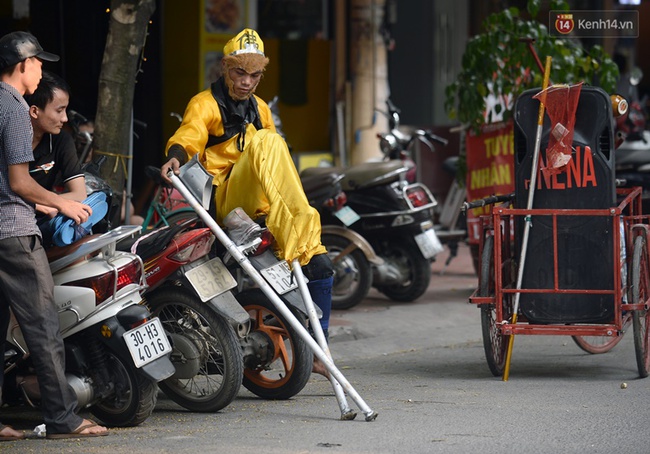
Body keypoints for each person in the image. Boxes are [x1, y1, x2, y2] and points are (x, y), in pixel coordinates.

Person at [160, 28, 334, 377]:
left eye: (254, 75)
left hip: (262, 206)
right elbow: (188, 136)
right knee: (269, 141)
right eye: (240, 72)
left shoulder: (262, 108)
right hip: (226, 199)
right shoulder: (205, 103)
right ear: (225, 68)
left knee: (320, 265)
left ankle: (320, 349)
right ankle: (299, 224)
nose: (247, 82)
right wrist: (176, 156)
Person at [0, 31, 108, 439]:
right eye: (39, 63)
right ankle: (63, 417)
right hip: (12, 230)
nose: (41, 70)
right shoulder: (11, 105)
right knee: (44, 325)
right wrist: (60, 203)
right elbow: (20, 182)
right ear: (23, 65)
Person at [23, 70, 87, 244]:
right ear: (35, 111)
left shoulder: (61, 140)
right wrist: (38, 205)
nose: (65, 118)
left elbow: (79, 193)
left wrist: (50, 203)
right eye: (59, 111)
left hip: (44, 222)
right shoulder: (10, 138)